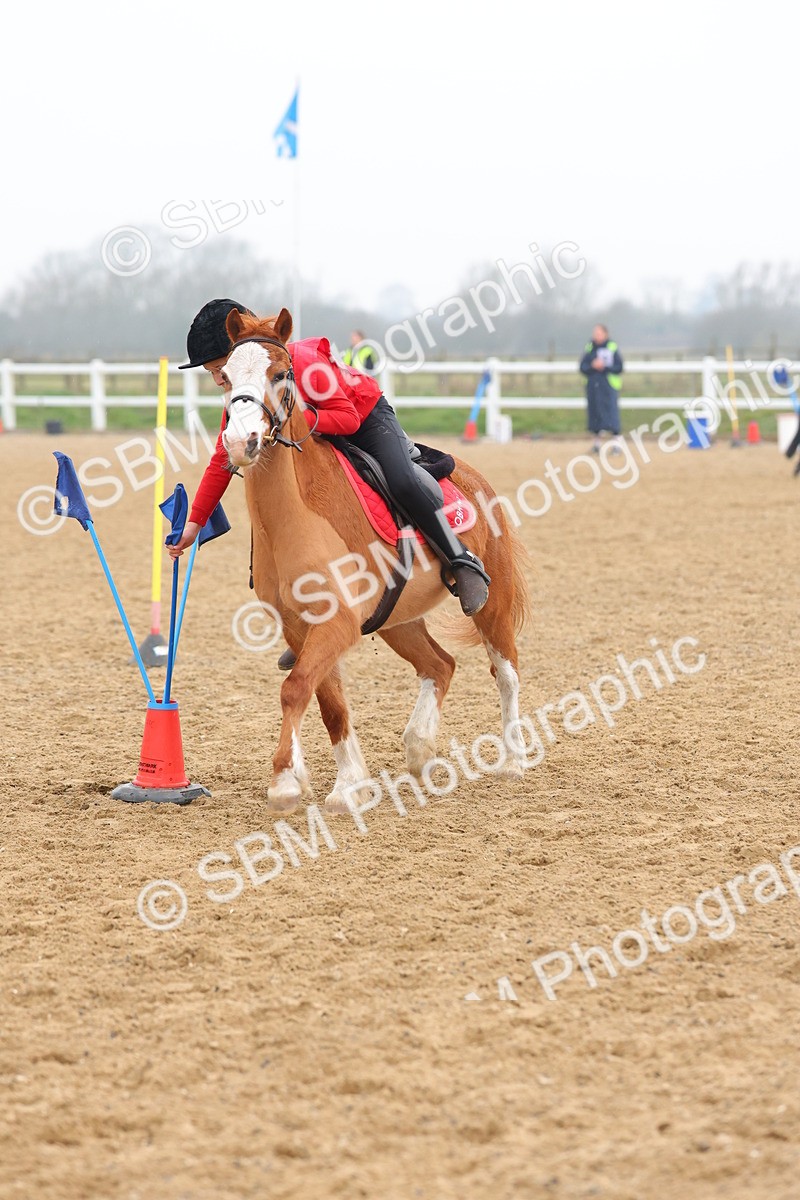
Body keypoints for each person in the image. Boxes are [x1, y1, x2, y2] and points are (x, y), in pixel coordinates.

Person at [168, 299, 490, 624]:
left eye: (218, 370)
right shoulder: (247, 390)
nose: (218, 380)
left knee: (402, 479)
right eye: (214, 374)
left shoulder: (304, 363)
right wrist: (195, 523)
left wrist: (301, 420)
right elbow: (223, 459)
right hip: (317, 427)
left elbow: (348, 420)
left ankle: (461, 559)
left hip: (363, 416)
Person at [580, 324, 623, 453]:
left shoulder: (612, 347)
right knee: (595, 415)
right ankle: (597, 445)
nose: (596, 335)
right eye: (595, 333)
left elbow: (619, 367)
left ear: (605, 334)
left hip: (608, 386)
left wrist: (604, 367)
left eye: (599, 333)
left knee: (611, 415)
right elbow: (582, 367)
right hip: (593, 387)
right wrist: (593, 366)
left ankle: (616, 445)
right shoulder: (589, 347)